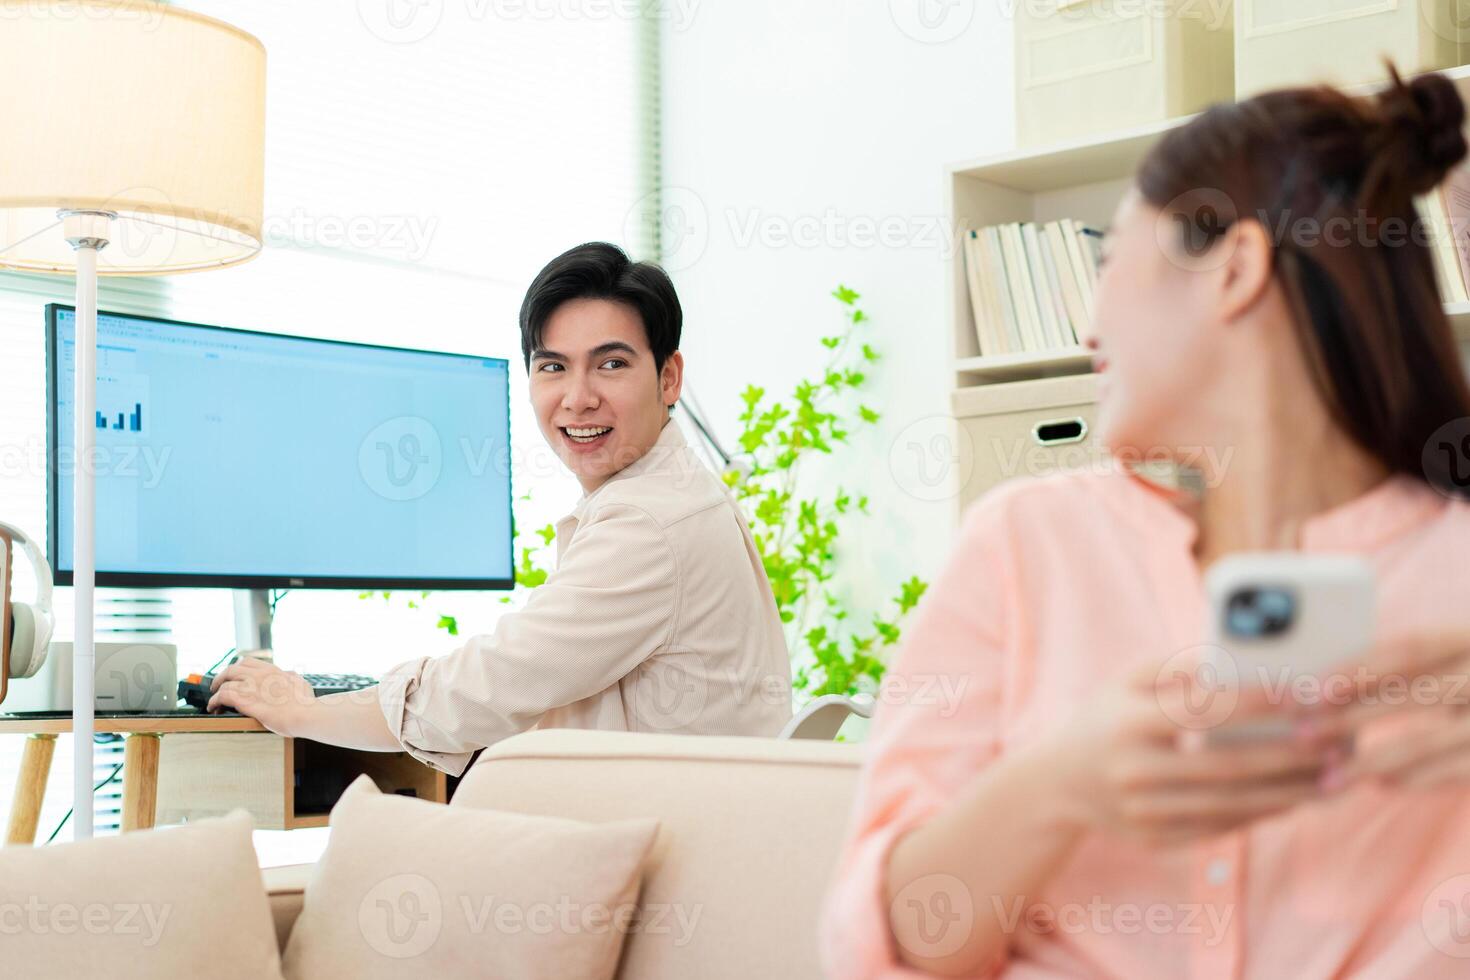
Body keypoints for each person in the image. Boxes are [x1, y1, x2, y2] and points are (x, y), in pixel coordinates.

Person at [821, 68, 1470, 978]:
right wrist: (1063, 782)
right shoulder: (1025, 545)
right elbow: (885, 950)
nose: (1089, 323)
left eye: (1107, 263)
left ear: (1235, 269)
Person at [208, 242, 792, 774]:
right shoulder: (673, 493)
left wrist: (304, 709)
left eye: (611, 364)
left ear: (669, 378)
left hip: (657, 864)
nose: (578, 397)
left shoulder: (650, 522)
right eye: (553, 366)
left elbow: (488, 686)